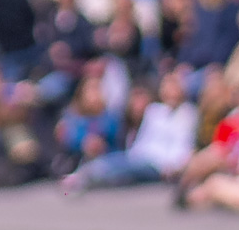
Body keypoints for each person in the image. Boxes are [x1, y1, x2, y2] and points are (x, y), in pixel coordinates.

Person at [63, 71, 198, 193]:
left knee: (118, 169)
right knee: (116, 162)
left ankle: (83, 178)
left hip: (159, 165)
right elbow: (144, 139)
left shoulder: (188, 113)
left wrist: (174, 166)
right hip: (141, 155)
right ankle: (82, 176)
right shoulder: (154, 111)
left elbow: (185, 145)